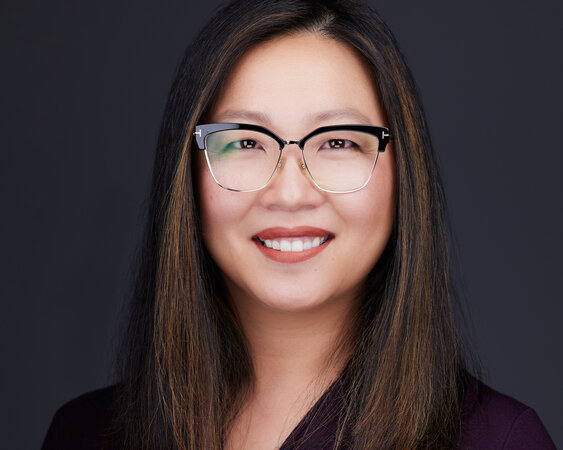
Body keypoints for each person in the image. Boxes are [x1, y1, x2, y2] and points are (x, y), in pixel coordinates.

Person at [42, 0, 556, 449]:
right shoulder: (85, 434)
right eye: (245, 142)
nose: (290, 194)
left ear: (403, 174)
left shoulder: (499, 440)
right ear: (188, 175)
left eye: (338, 142)